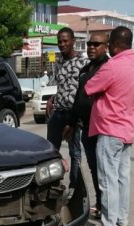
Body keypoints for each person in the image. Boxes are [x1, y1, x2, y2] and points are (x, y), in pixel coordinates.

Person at [83, 26, 134, 226]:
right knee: (122, 178)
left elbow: (89, 87)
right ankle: (121, 219)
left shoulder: (113, 66)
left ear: (114, 45)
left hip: (109, 129)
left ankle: (108, 224)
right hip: (127, 128)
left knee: (107, 179)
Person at [63, 31, 110, 216]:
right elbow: (79, 99)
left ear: (106, 47)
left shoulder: (108, 68)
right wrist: (71, 123)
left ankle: (108, 208)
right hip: (87, 126)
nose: (91, 47)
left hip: (104, 127)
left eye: (96, 44)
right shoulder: (86, 69)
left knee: (104, 169)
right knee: (93, 168)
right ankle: (100, 203)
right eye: (90, 43)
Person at [45, 27, 87, 190]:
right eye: (59, 41)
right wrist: (52, 99)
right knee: (50, 151)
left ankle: (74, 187)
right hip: (59, 112)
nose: (62, 44)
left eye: (65, 41)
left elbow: (81, 91)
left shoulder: (82, 63)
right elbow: (63, 86)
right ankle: (52, 184)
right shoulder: (59, 61)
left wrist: (74, 120)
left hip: (74, 114)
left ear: (73, 41)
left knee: (74, 152)